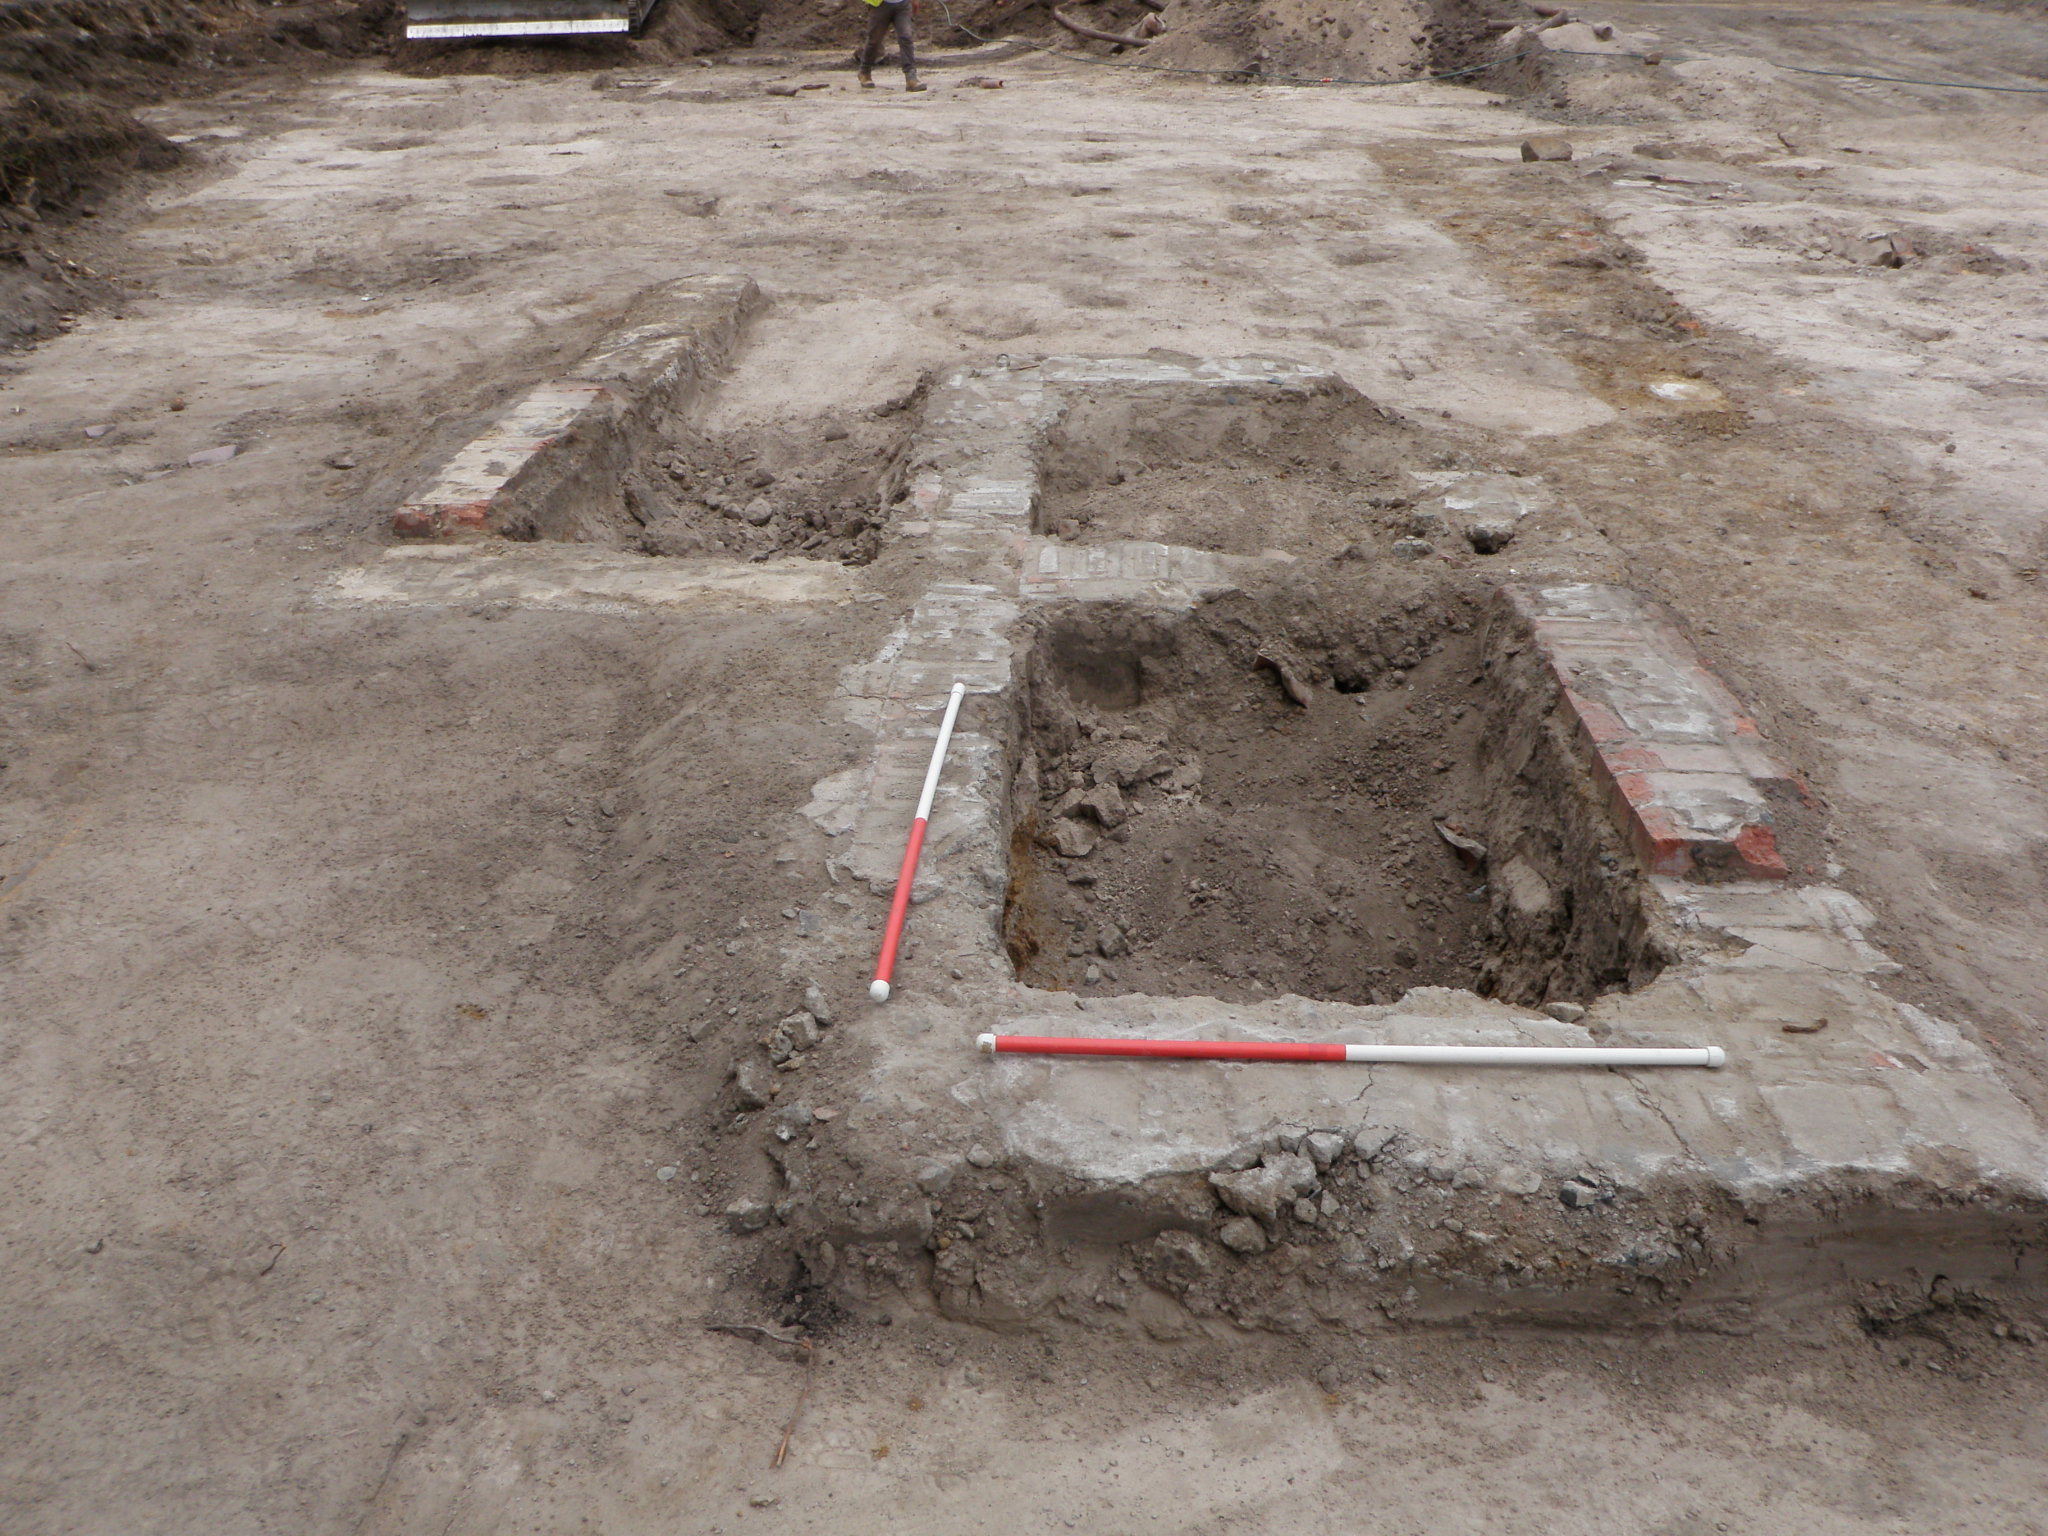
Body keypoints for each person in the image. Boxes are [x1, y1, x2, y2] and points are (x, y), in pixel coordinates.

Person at [858, 0, 925, 91]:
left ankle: (911, 78)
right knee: (874, 40)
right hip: (880, 4)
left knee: (906, 37)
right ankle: (865, 71)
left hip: (902, 4)